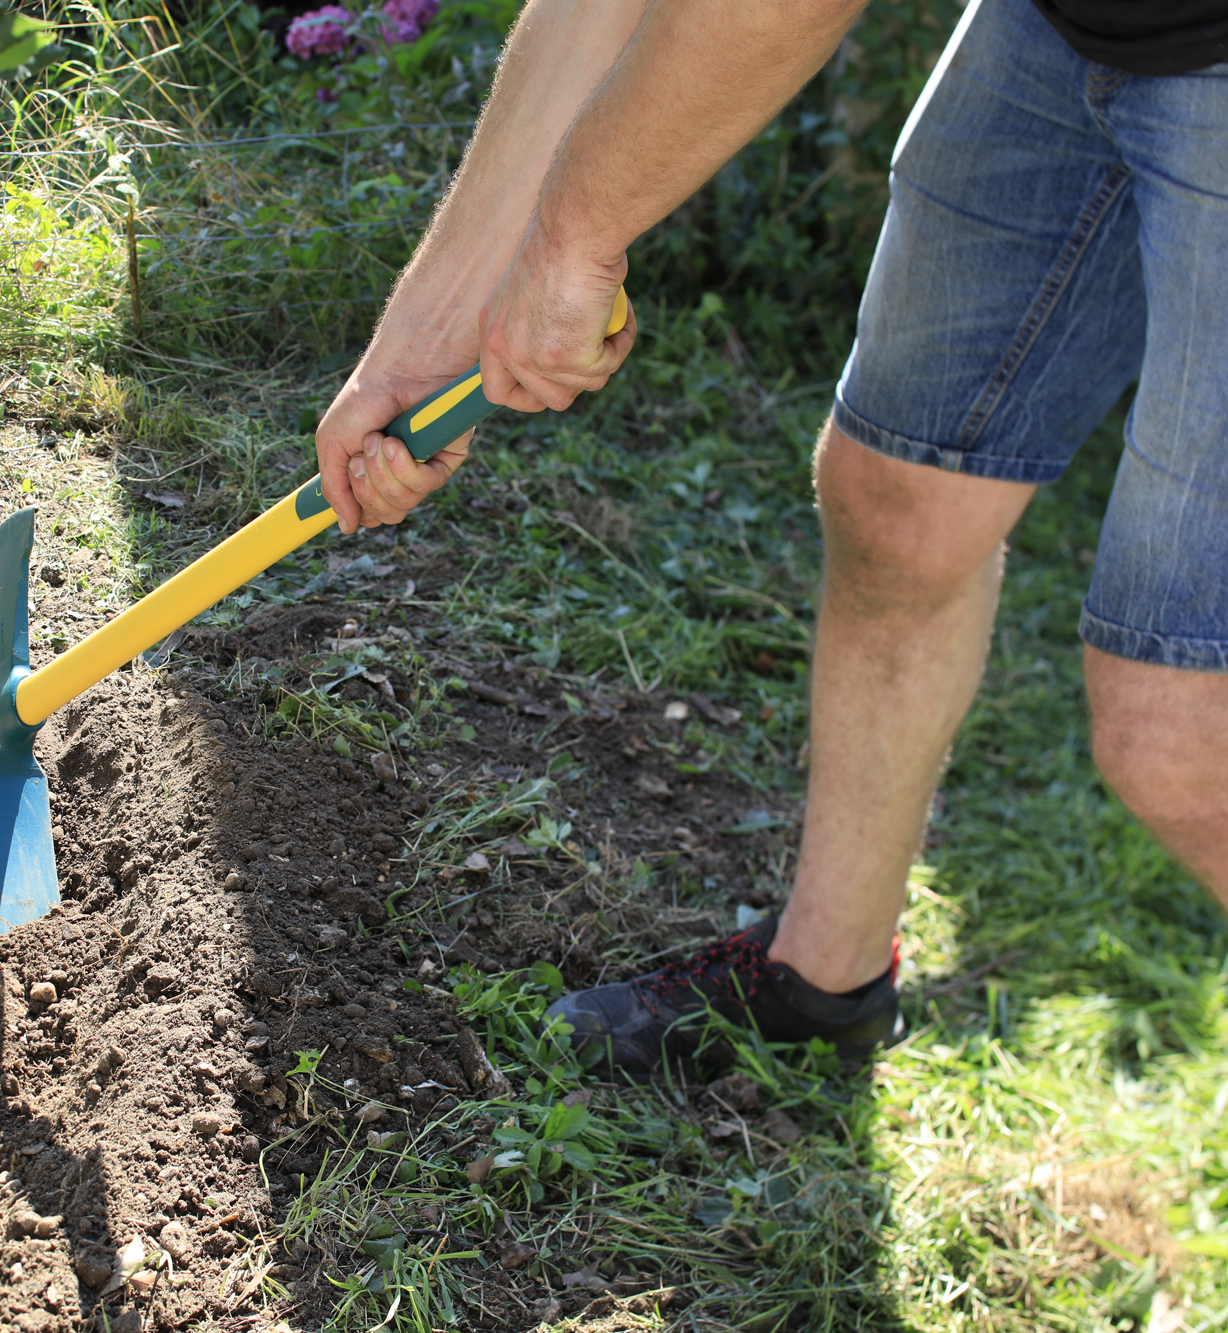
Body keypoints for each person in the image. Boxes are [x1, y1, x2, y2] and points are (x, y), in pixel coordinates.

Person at [313, 0, 1228, 1072]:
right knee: (899, 499)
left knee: (1180, 727)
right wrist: (426, 334)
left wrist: (571, 239)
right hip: (1074, 27)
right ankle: (826, 980)